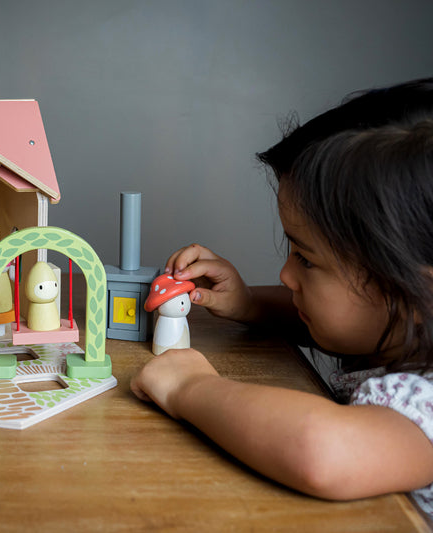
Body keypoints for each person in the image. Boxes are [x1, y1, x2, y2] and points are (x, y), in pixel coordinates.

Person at [131, 78, 433, 514]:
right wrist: (249, 303)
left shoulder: (424, 406)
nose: (286, 274)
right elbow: (344, 321)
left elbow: (325, 453)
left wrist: (190, 388)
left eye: (307, 260)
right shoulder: (401, 328)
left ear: (416, 292)